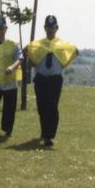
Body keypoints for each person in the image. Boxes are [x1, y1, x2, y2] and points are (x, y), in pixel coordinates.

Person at [24, 14, 77, 147]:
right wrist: (32, 61)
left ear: (57, 28)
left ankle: (49, 136)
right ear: (44, 28)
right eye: (48, 27)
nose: (50, 30)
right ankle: (44, 131)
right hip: (41, 78)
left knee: (52, 107)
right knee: (41, 107)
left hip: (55, 79)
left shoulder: (61, 44)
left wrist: (64, 63)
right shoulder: (39, 44)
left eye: (52, 27)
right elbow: (26, 50)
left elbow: (76, 51)